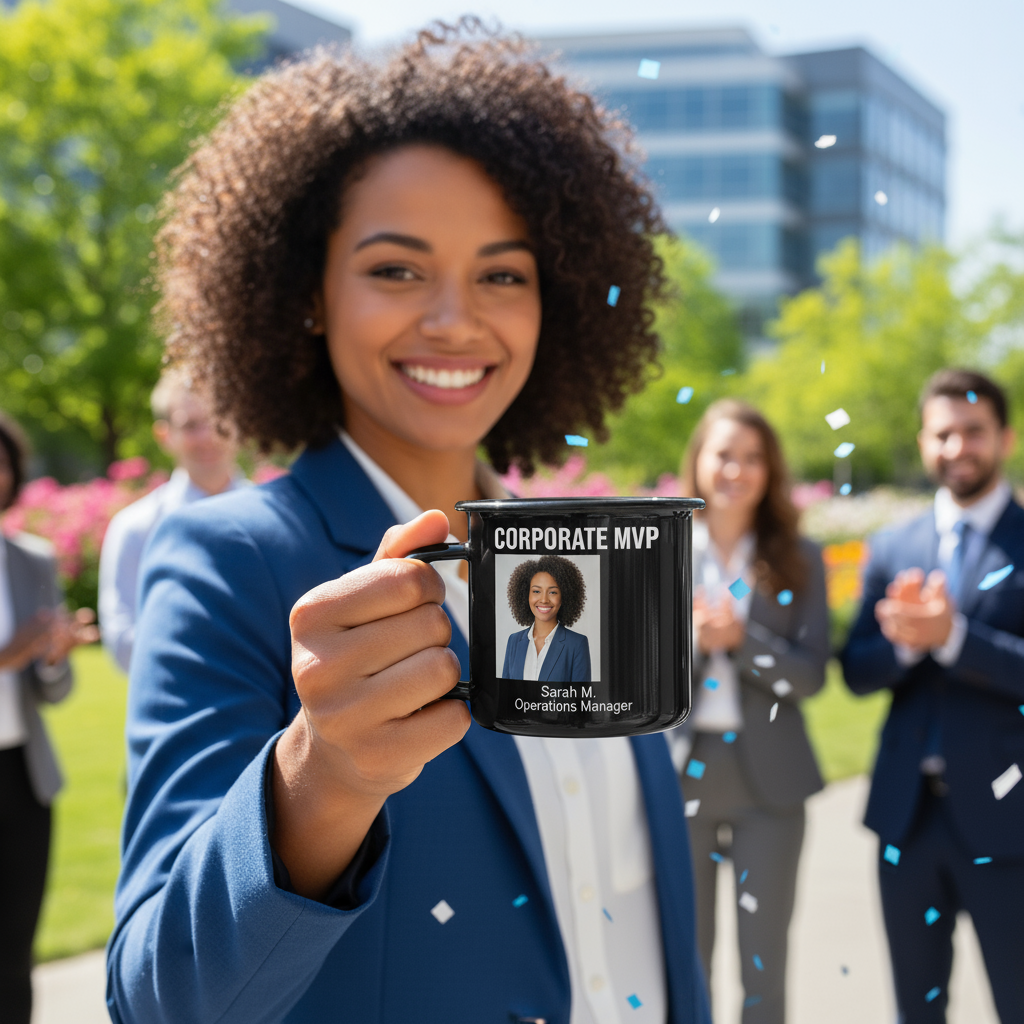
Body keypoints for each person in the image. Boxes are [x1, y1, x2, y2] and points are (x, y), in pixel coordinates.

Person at [106, 25, 710, 1024]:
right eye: (395, 269)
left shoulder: (585, 563)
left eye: (503, 274)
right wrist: (322, 779)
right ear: (306, 294)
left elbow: (632, 907)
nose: (452, 318)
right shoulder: (233, 564)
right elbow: (158, 999)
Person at [841, 368, 1024, 1023]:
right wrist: (907, 646)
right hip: (906, 821)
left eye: (973, 432)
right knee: (915, 1010)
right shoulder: (894, 545)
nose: (957, 448)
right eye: (943, 434)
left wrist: (954, 639)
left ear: (1003, 437)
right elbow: (856, 671)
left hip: (1010, 823)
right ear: (924, 442)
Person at [669, 399, 829, 1024]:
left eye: (753, 458)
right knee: (689, 958)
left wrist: (743, 643)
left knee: (764, 963)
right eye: (724, 454)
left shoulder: (800, 557)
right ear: (699, 463)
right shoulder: (663, 550)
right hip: (685, 772)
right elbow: (636, 671)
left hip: (772, 783)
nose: (737, 469)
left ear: (771, 470)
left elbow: (811, 675)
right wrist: (693, 640)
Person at [0, 413, 99, 1024]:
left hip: (22, 782)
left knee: (14, 955)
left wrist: (54, 657)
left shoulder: (32, 561)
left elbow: (53, 691)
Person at [98, 369, 246, 672]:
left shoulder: (286, 518)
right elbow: (122, 646)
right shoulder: (134, 529)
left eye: (218, 420)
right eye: (190, 425)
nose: (207, 436)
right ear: (164, 435)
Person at [502, 555, 592, 682]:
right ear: (525, 595)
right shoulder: (514, 641)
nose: (544, 600)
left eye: (553, 592)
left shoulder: (577, 644)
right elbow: (506, 695)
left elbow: (580, 699)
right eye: (536, 591)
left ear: (564, 596)